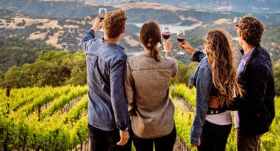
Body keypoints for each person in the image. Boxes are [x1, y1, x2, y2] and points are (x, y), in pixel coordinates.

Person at [179, 29, 243, 151]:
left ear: (209, 46)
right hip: (225, 123)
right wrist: (191, 50)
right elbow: (205, 57)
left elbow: (201, 104)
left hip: (210, 123)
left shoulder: (206, 67)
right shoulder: (227, 62)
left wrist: (195, 134)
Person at [80, 9, 131, 151]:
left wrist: (94, 28)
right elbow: (117, 96)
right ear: (123, 30)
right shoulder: (119, 57)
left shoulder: (92, 46)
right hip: (112, 125)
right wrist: (123, 127)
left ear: (103, 27)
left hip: (93, 120)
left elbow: (83, 41)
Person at [124, 21, 178, 151]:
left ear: (140, 39)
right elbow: (174, 72)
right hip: (165, 126)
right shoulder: (169, 63)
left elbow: (129, 99)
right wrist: (168, 52)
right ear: (159, 39)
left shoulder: (131, 63)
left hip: (141, 128)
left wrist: (132, 113)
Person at [229, 15, 275, 150]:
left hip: (250, 123)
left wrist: (226, 103)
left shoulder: (257, 65)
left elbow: (253, 101)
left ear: (242, 35)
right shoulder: (258, 53)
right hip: (250, 120)